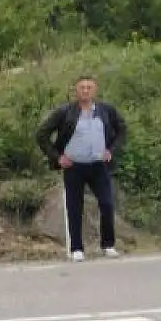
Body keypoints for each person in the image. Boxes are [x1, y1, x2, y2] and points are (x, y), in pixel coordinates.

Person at [35, 76, 128, 261]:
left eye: (89, 87)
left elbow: (122, 130)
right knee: (74, 207)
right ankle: (77, 248)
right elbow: (42, 134)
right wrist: (57, 157)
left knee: (107, 204)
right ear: (76, 91)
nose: (85, 91)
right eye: (82, 87)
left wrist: (111, 150)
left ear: (95, 91)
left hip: (98, 165)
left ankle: (108, 245)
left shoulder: (105, 111)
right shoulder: (65, 112)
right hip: (74, 166)